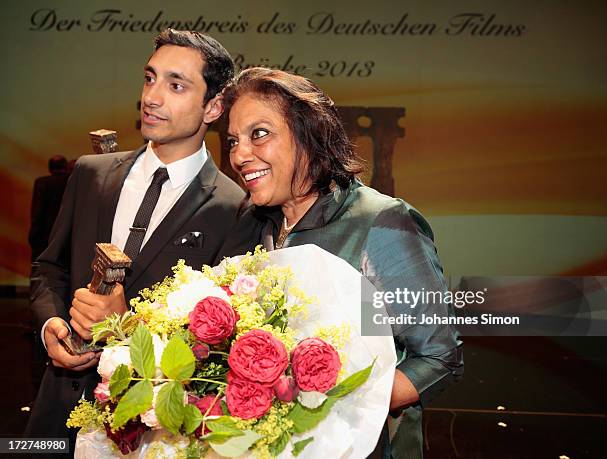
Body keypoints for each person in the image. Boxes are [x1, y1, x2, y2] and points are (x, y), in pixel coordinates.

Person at [218, 68, 464, 459]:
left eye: (259, 134)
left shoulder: (377, 223)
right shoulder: (250, 227)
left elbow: (437, 357)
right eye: (233, 140)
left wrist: (337, 411)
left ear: (309, 135)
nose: (239, 155)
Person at [25, 29, 245, 448]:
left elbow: (218, 343)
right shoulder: (91, 174)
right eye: (149, 78)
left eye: (176, 85)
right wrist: (50, 325)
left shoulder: (235, 209)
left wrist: (127, 325)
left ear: (213, 106)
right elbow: (50, 267)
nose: (152, 97)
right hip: (59, 414)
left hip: (154, 431)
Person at [28, 155, 70, 261]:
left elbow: (37, 211)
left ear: (50, 168)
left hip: (44, 235)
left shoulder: (41, 183)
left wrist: (33, 235)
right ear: (65, 166)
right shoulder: (72, 182)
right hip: (67, 235)